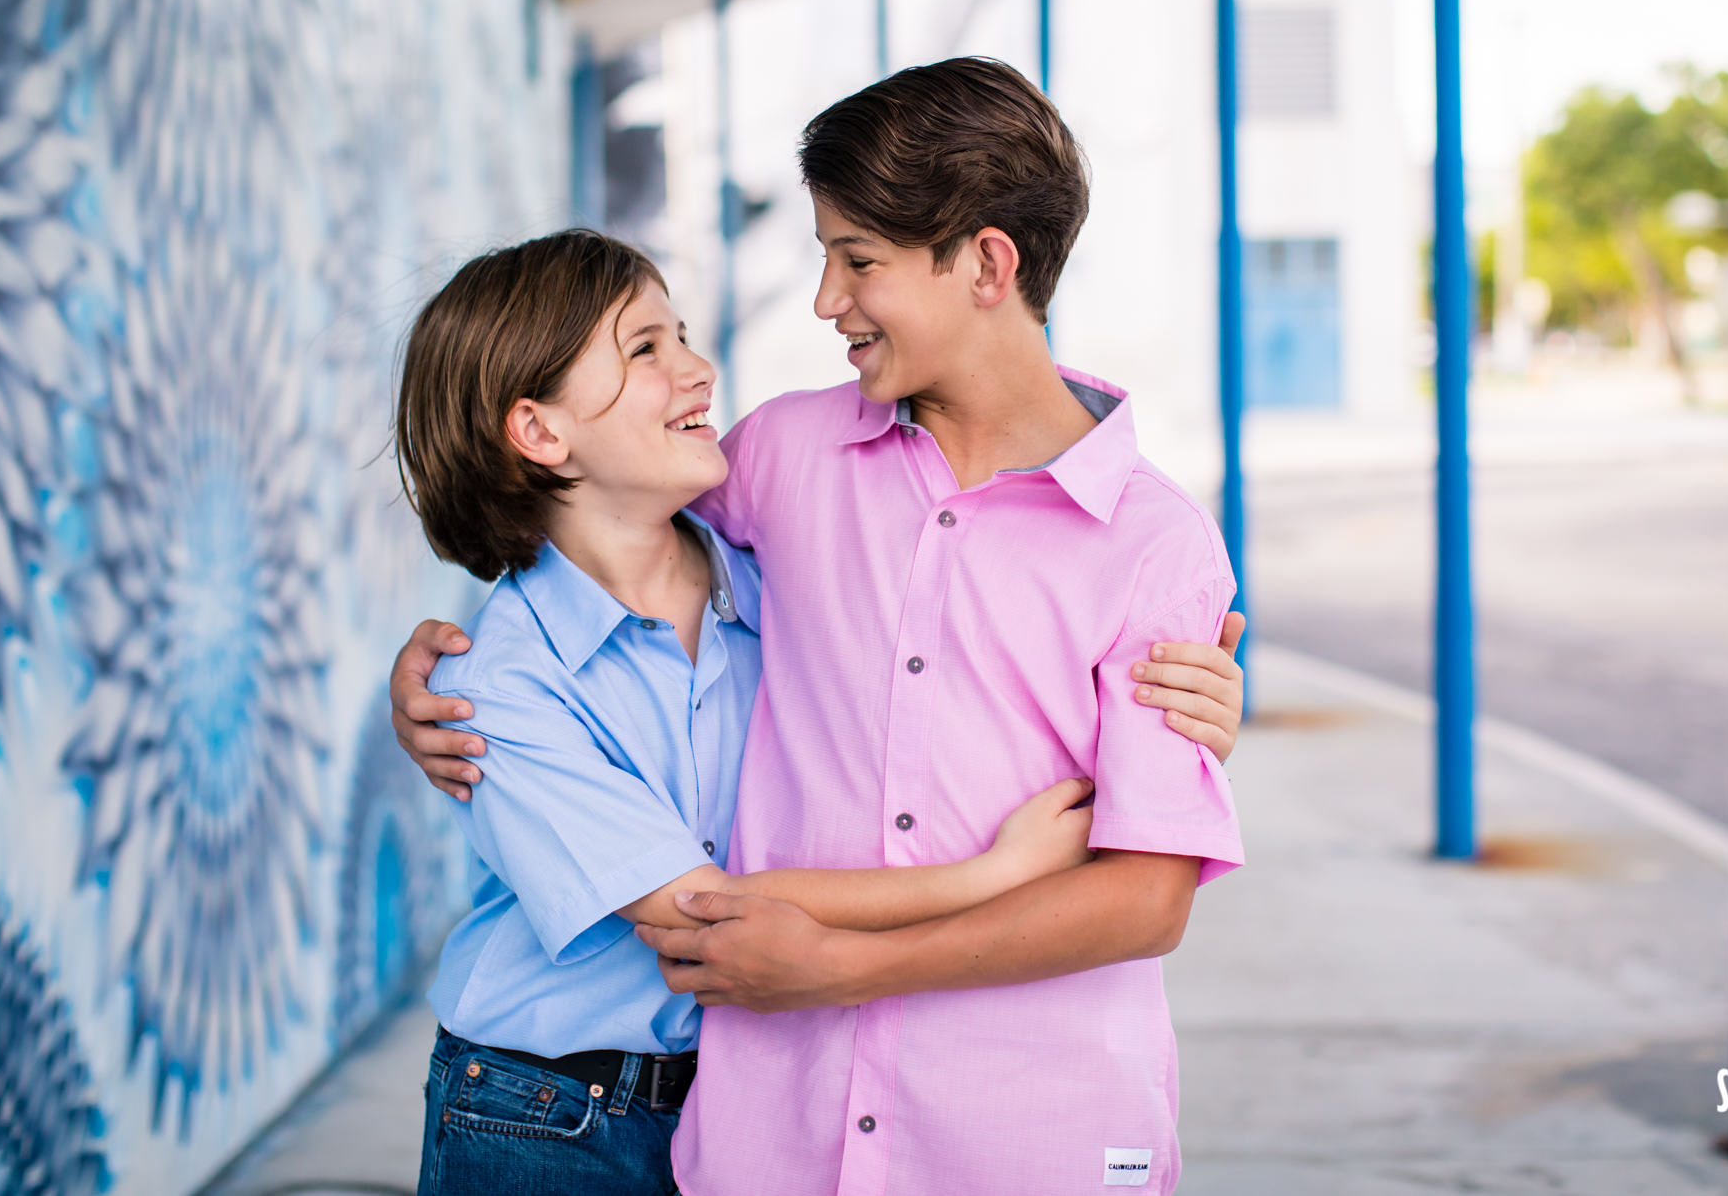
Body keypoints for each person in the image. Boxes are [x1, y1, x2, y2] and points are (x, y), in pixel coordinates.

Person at [392, 58, 1248, 1194]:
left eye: (857, 260)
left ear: (987, 264)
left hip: (1022, 1131)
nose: (824, 299)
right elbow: (578, 514)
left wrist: (838, 966)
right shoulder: (783, 456)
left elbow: (1144, 898)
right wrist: (432, 678)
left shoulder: (1153, 543)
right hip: (749, 1127)